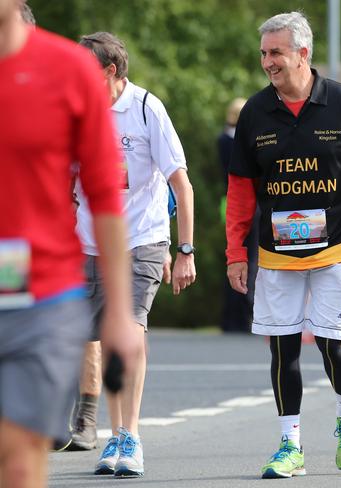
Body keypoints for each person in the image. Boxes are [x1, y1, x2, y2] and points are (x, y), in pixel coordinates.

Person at [226, 11, 341, 478]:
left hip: (339, 246)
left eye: (275, 52)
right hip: (276, 251)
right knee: (282, 349)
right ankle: (289, 444)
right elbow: (239, 189)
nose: (267, 62)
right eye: (263, 54)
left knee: (331, 344)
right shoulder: (255, 112)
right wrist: (237, 253)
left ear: (303, 53)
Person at [0, 2, 139, 487]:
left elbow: (105, 195)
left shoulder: (66, 69)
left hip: (38, 282)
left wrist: (119, 313)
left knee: (17, 455)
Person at [73, 31, 196, 477]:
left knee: (128, 330)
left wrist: (184, 250)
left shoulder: (146, 108)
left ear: (111, 70)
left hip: (142, 239)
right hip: (91, 242)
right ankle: (115, 435)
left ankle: (132, 436)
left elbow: (181, 185)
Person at [218, 97, 258, 333]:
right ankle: (242, 315)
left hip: (227, 203)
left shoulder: (222, 139)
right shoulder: (237, 142)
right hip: (243, 202)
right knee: (247, 259)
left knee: (235, 256)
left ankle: (232, 317)